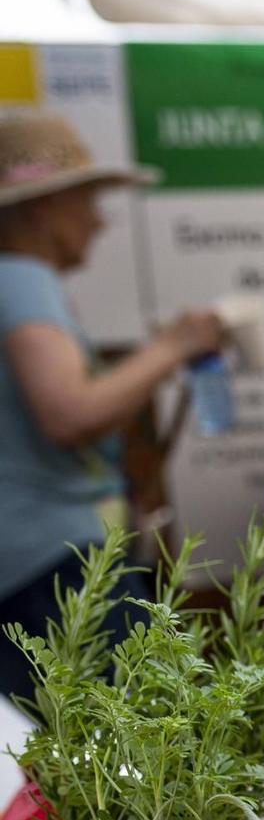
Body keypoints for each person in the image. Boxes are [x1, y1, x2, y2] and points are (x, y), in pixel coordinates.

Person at [0, 112, 225, 705]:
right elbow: (67, 412)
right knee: (160, 751)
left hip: (23, 568)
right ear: (40, 207)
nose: (98, 221)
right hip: (54, 567)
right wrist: (174, 347)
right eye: (86, 200)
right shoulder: (21, 277)